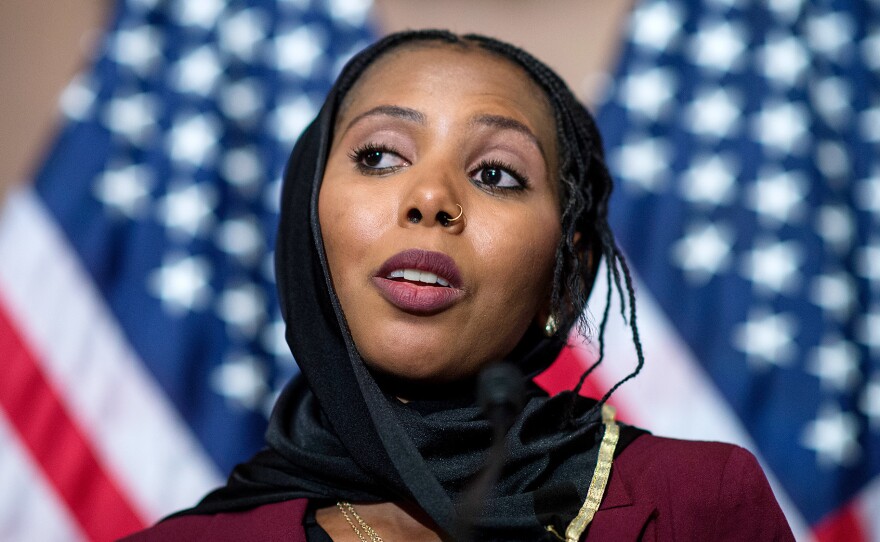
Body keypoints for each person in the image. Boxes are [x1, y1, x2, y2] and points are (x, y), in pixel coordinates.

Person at [124, 30, 794, 541]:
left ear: (565, 280)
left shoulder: (700, 502)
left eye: (497, 174)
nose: (431, 198)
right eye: (380, 156)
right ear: (307, 222)